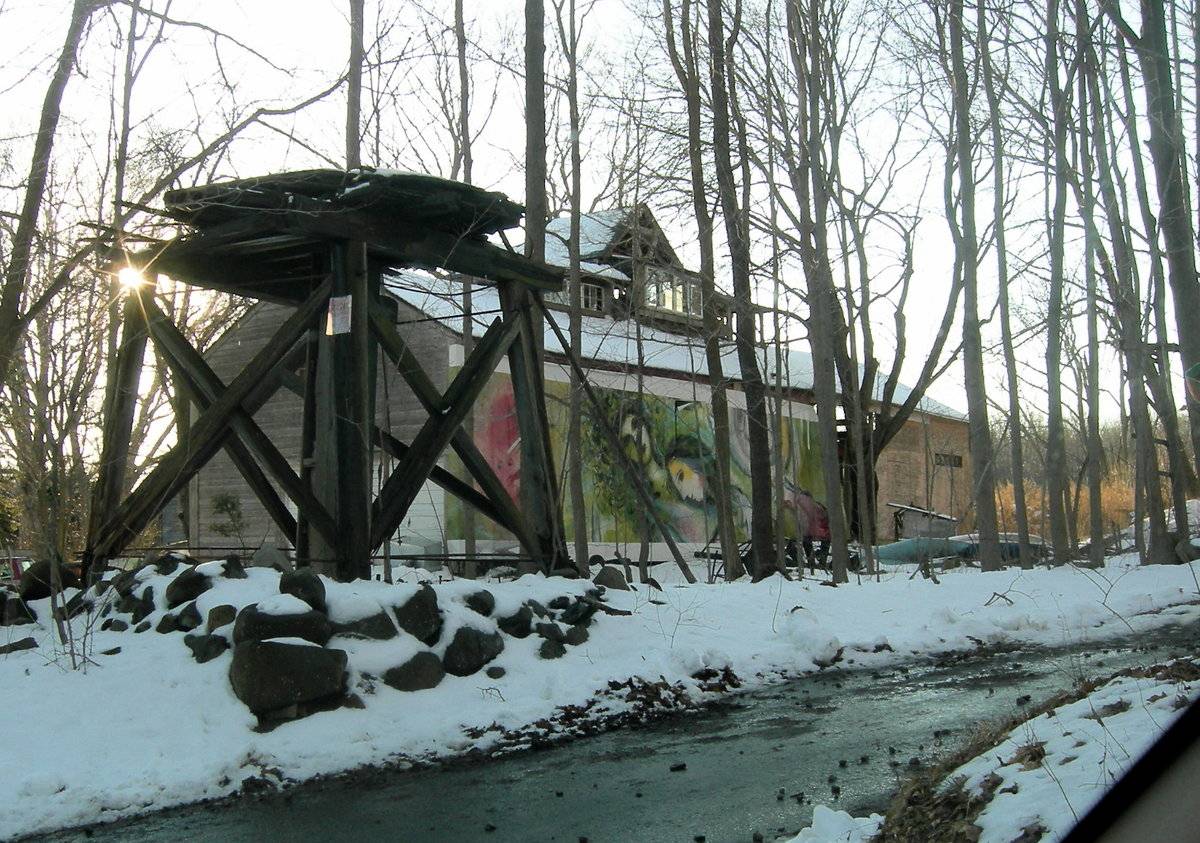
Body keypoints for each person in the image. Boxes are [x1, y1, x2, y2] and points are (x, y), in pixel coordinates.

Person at [796, 489, 830, 572]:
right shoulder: (808, 507)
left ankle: (815, 562)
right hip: (817, 531)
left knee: (808, 541)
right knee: (808, 540)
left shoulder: (813, 507)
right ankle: (818, 562)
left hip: (818, 531)